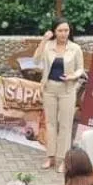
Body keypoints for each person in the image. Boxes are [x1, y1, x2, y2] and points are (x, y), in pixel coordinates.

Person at [35, 20, 86, 170]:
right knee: (50, 123)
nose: (64, 34)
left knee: (65, 124)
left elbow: (80, 69)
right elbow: (36, 60)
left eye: (66, 30)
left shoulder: (75, 48)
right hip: (49, 88)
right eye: (60, 31)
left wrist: (73, 76)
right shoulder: (48, 46)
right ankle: (50, 157)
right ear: (54, 32)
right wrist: (44, 40)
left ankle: (63, 159)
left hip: (67, 89)